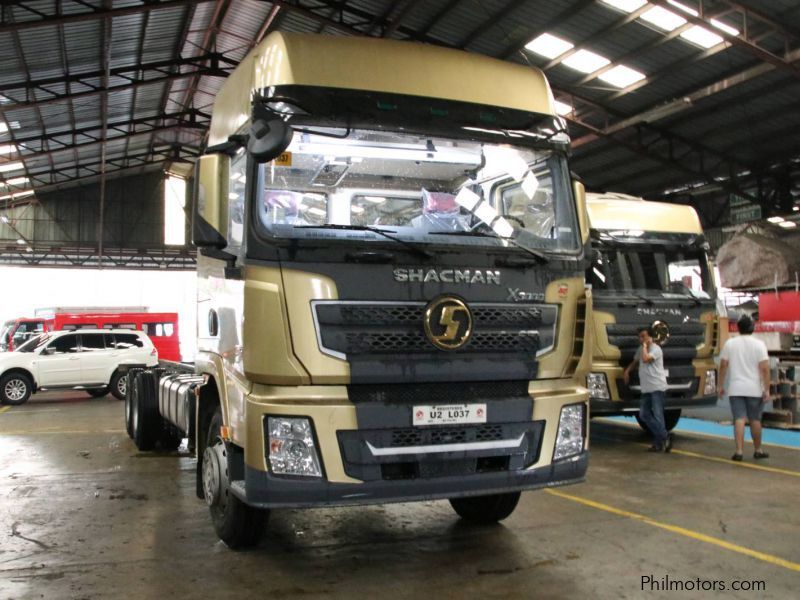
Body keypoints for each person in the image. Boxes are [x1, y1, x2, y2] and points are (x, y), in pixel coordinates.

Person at [718, 314, 770, 462]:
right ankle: (758, 450)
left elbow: (723, 366)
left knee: (739, 419)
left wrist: (720, 385)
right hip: (754, 389)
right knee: (755, 419)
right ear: (752, 328)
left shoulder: (730, 344)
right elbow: (765, 369)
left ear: (738, 328)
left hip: (736, 388)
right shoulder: (759, 344)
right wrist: (766, 389)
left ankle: (739, 451)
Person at [624, 326, 672, 452]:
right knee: (644, 414)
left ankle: (658, 443)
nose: (641, 339)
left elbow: (645, 359)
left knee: (657, 415)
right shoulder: (641, 349)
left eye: (643, 336)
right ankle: (664, 436)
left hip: (657, 387)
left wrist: (645, 347)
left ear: (650, 336)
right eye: (640, 337)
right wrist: (627, 371)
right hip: (646, 388)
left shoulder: (656, 349)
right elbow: (636, 361)